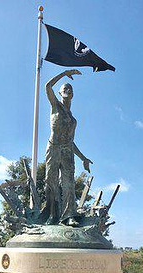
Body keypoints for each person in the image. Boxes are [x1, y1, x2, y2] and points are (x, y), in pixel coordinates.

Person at [43, 69, 92, 226]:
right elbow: (47, 86)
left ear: (72, 95)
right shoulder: (55, 105)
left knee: (68, 184)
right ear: (60, 92)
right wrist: (64, 74)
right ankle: (52, 215)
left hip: (67, 151)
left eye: (70, 89)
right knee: (50, 182)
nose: (68, 90)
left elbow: (71, 141)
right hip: (53, 148)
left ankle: (69, 216)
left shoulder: (73, 119)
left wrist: (83, 158)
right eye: (65, 88)